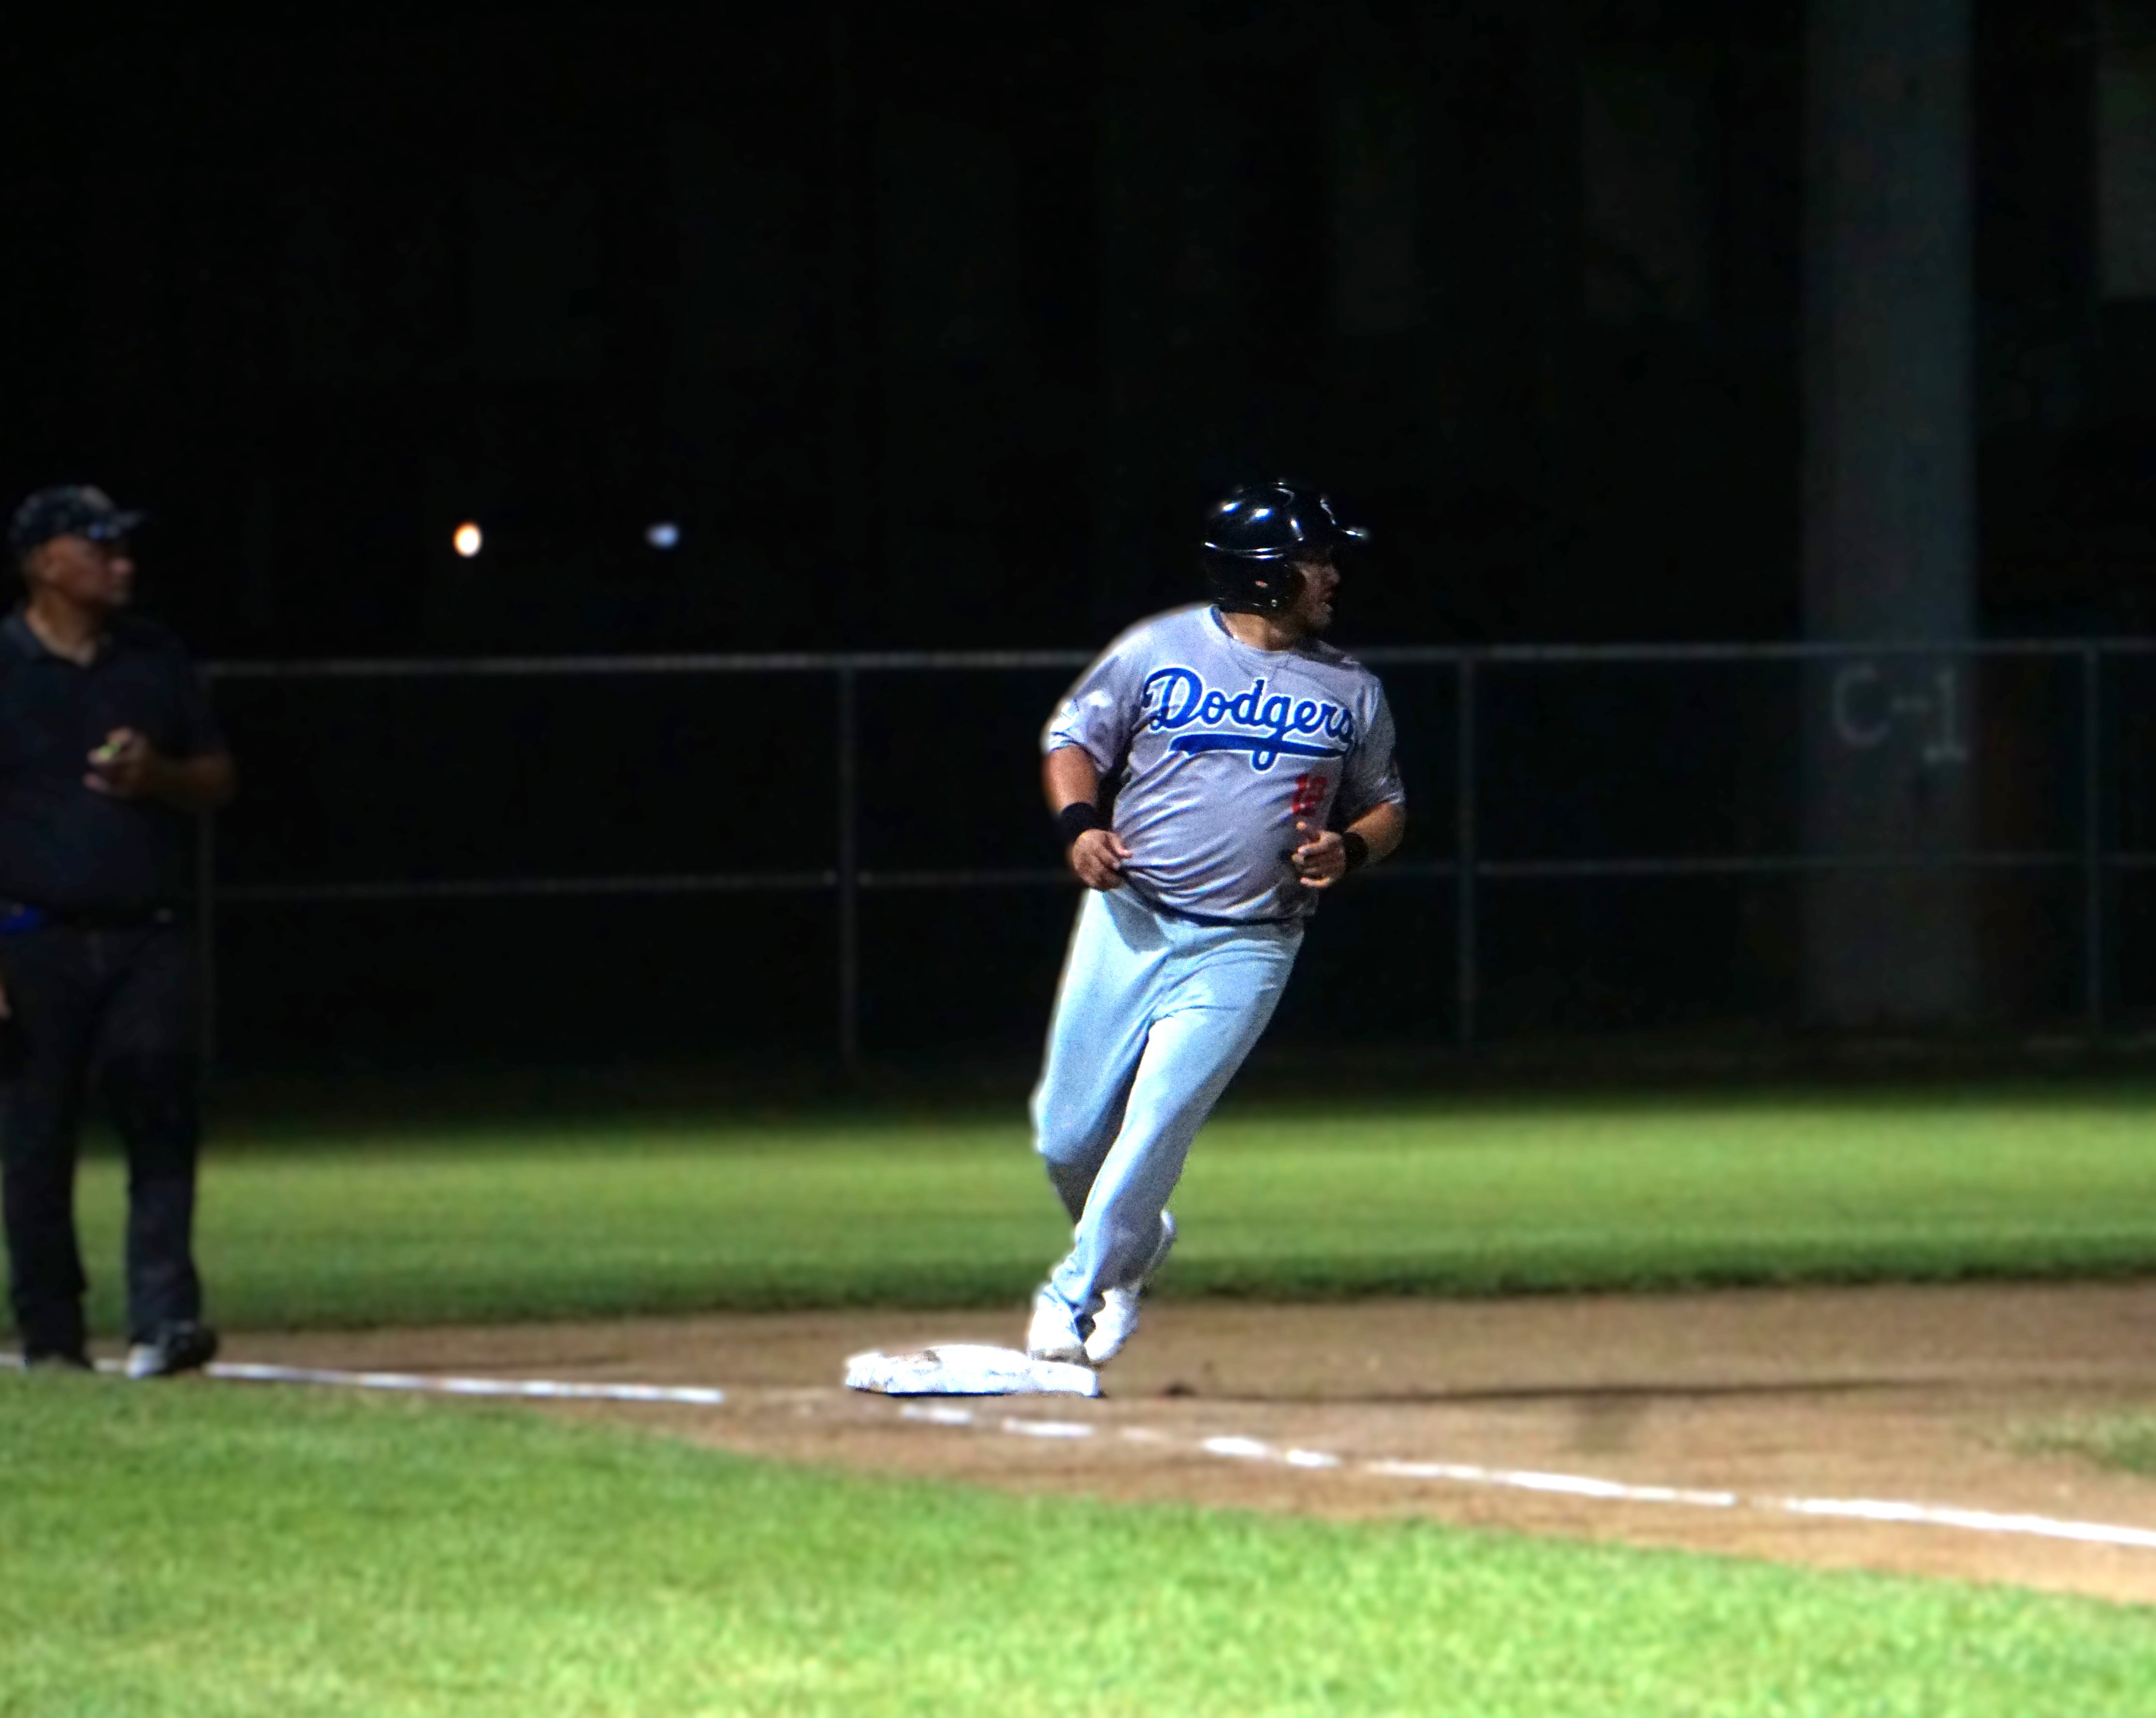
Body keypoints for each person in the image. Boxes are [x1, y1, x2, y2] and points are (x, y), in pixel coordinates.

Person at [1025, 480, 1406, 1367]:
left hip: (1248, 942)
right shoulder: (1158, 649)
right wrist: (1081, 827)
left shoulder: (1351, 688)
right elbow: (1073, 742)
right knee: (1068, 1136)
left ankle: (1071, 1297)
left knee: (1156, 1122)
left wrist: (1348, 850)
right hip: (1129, 923)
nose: (1332, 577)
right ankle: (1135, 1247)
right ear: (1267, 575)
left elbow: (1386, 807)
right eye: (1317, 561)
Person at [0, 485, 235, 1377]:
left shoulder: (152, 658)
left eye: (122, 547)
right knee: (36, 1141)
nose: (121, 562)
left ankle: (164, 1322)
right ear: (43, 563)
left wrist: (161, 775)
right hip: (29, 934)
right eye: (99, 546)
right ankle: (53, 1336)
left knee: (162, 1117)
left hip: (148, 931)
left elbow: (217, 778)